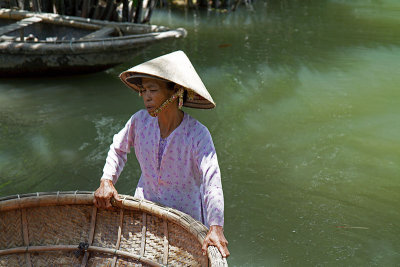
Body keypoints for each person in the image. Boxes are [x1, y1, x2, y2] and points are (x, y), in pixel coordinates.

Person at [93, 51, 229, 258]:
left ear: (175, 92)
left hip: (185, 221)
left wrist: (216, 227)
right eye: (143, 90)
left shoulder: (197, 134)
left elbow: (212, 181)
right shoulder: (139, 122)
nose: (146, 96)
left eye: (153, 90)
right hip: (145, 211)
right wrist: (107, 180)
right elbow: (118, 149)